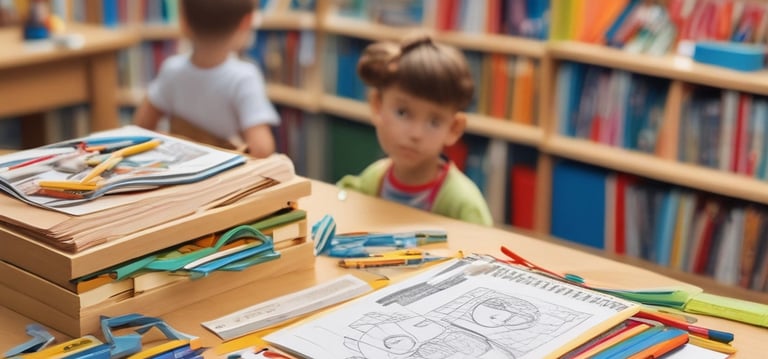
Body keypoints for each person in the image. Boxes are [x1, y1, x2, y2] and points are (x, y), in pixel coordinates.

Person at [337, 34, 493, 226]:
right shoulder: (373, 179)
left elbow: (484, 251)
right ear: (377, 105)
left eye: (434, 121)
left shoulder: (463, 204)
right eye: (403, 113)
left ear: (454, 128)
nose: (415, 134)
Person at [133, 0, 278, 158]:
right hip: (222, 175)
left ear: (183, 21)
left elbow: (142, 127)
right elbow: (262, 149)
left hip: (179, 169)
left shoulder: (171, 70)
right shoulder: (244, 77)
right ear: (247, 22)